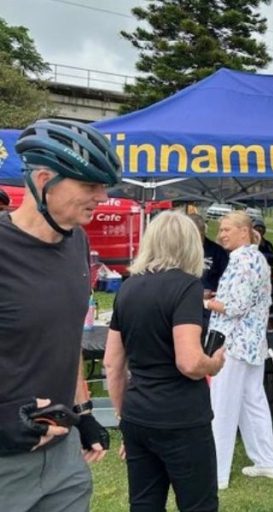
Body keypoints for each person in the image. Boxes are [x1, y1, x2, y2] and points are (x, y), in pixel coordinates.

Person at [0, 119, 116, 511]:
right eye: (89, 185)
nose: (101, 197)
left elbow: (65, 340)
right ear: (45, 180)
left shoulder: (77, 242)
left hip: (63, 456)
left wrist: (83, 413)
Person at [105, 211, 226, 511]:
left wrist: (123, 416)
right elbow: (189, 362)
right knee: (198, 504)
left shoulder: (128, 287)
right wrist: (214, 362)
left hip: (137, 412)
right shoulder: (187, 287)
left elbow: (111, 363)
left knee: (144, 503)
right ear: (191, 245)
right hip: (181, 415)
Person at [205, 211, 273, 489]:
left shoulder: (243, 260)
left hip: (233, 343)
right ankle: (266, 461)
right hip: (252, 342)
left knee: (222, 407)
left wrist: (205, 302)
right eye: (220, 229)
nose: (221, 234)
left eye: (226, 229)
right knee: (253, 403)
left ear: (243, 231)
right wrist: (218, 299)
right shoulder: (257, 257)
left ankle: (217, 474)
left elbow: (234, 307)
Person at [189, 213, 229, 335]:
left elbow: (227, 280)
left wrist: (213, 294)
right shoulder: (180, 250)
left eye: (198, 233)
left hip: (209, 308)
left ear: (203, 232)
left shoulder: (217, 251)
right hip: (186, 304)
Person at [251, 212, 273, 330]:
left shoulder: (268, 244)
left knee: (271, 306)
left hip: (269, 278)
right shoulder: (251, 245)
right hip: (257, 280)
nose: (259, 230)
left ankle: (271, 328)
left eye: (261, 228)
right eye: (257, 228)